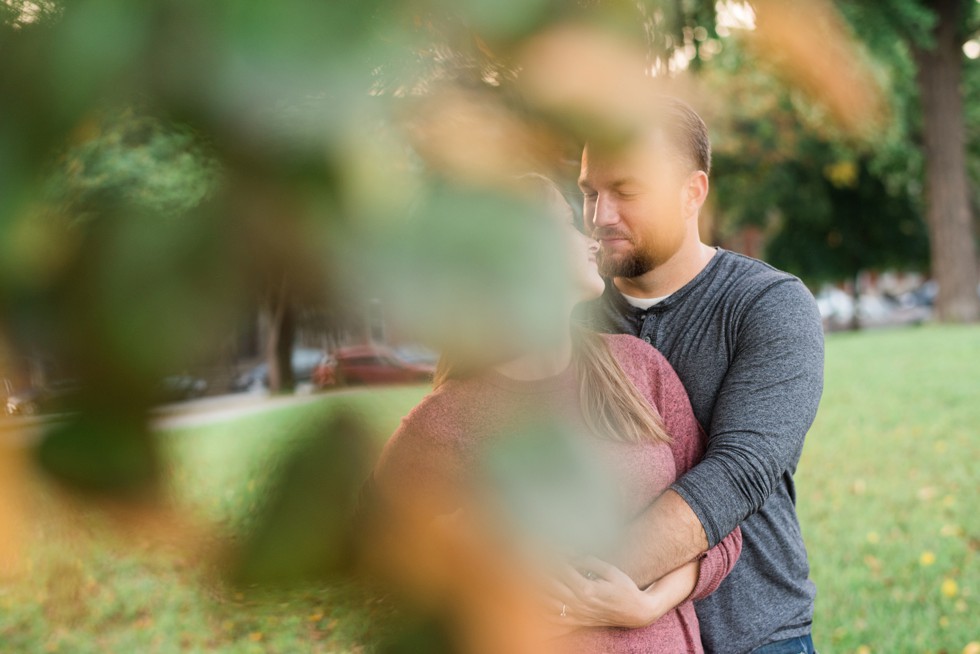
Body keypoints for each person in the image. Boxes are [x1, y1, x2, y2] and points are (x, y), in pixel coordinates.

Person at [366, 176, 741, 654]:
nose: (591, 240)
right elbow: (382, 573)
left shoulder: (640, 369)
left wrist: (644, 605)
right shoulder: (443, 422)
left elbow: (721, 528)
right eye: (565, 223)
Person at [575, 97, 825, 653]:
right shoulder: (568, 314)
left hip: (754, 636)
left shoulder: (767, 305)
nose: (600, 215)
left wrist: (567, 591)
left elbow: (740, 471)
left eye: (627, 191)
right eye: (590, 192)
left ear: (692, 193)